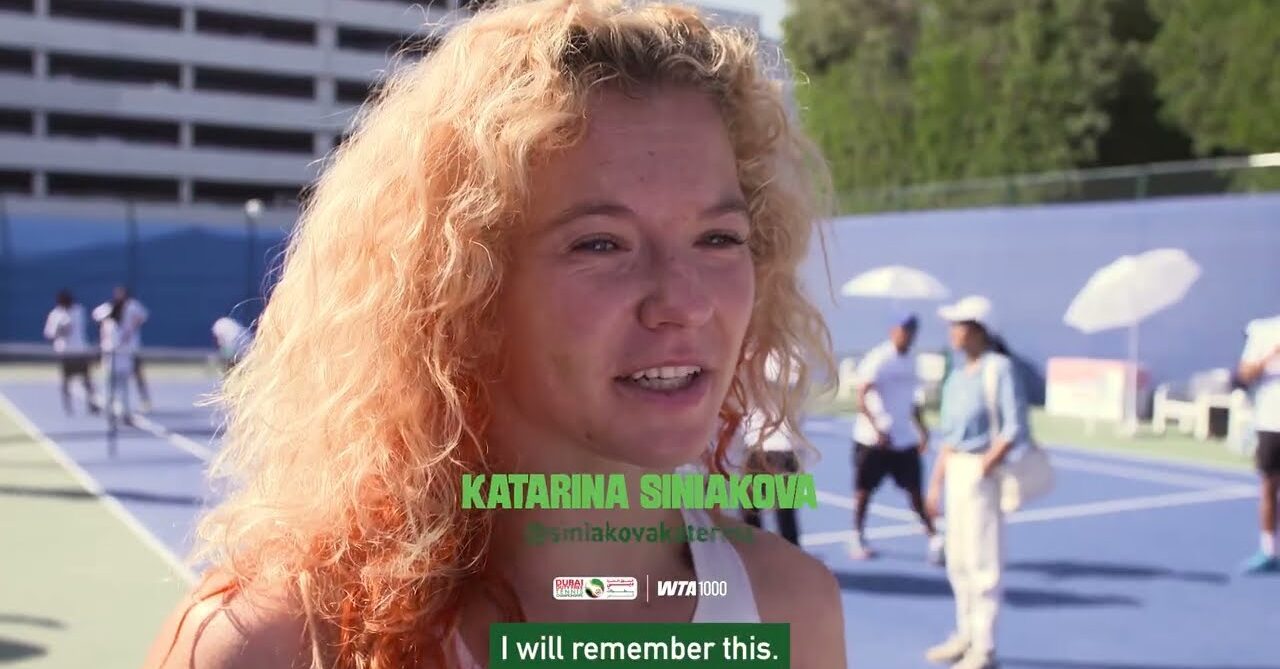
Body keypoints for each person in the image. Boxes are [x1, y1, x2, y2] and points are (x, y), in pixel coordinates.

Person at [141, 2, 847, 668]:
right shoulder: (279, 645)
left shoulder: (791, 615)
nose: (684, 301)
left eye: (719, 237)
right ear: (461, 288)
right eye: (601, 243)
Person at [924, 295, 1029, 669]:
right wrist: (936, 485)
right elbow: (949, 439)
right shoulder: (956, 375)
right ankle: (965, 634)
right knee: (958, 559)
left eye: (960, 324)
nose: (953, 331)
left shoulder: (998, 369)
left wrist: (984, 467)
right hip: (956, 472)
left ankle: (983, 648)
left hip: (981, 474)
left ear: (978, 330)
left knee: (983, 561)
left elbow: (1014, 428)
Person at [848, 313, 942, 564]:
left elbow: (913, 402)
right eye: (903, 329)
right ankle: (857, 535)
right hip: (873, 440)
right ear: (893, 331)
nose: (907, 334)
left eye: (911, 330)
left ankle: (934, 538)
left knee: (915, 492)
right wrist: (877, 429)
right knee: (864, 491)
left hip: (903, 439)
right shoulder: (878, 358)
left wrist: (922, 430)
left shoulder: (912, 361)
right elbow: (861, 397)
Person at [741, 355, 806, 546]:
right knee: (760, 511)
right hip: (768, 447)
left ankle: (761, 557)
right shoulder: (789, 359)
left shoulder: (772, 361)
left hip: (773, 447)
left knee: (762, 512)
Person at [1237, 314, 1280, 574]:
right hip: (1271, 422)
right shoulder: (1264, 331)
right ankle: (1268, 550)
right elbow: (1244, 375)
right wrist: (1272, 354)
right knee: (1268, 487)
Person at [93, 286, 151, 412]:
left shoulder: (133, 306)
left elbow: (142, 317)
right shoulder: (109, 310)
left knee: (135, 374)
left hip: (130, 349)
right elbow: (97, 316)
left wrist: (130, 330)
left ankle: (144, 400)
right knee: (111, 379)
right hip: (111, 352)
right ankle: (110, 403)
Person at [43, 289, 98, 415]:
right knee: (66, 380)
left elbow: (73, 327)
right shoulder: (55, 314)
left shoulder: (78, 310)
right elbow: (50, 333)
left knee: (87, 379)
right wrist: (59, 330)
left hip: (80, 351)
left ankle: (91, 404)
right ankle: (68, 407)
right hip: (65, 352)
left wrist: (65, 328)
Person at [97, 296, 137, 425]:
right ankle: (111, 414)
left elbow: (126, 339)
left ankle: (124, 414)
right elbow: (109, 342)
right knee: (110, 389)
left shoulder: (124, 325)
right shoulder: (108, 325)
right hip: (111, 361)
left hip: (122, 361)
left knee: (122, 390)